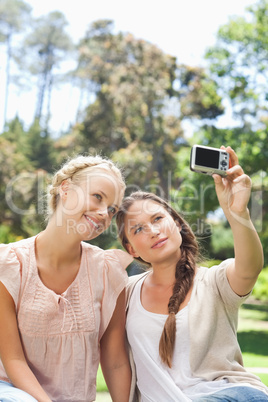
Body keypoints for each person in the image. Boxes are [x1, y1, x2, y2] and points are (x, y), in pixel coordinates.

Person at [116, 146, 268, 402]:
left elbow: (249, 267)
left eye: (157, 219)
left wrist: (238, 213)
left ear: (176, 223)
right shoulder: (126, 292)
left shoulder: (213, 281)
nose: (153, 231)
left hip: (230, 393)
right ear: (131, 249)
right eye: (139, 229)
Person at [0, 154, 134, 402]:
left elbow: (114, 360)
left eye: (112, 209)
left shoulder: (109, 271)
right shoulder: (9, 265)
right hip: (11, 393)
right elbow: (13, 360)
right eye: (97, 197)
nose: (105, 213)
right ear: (66, 189)